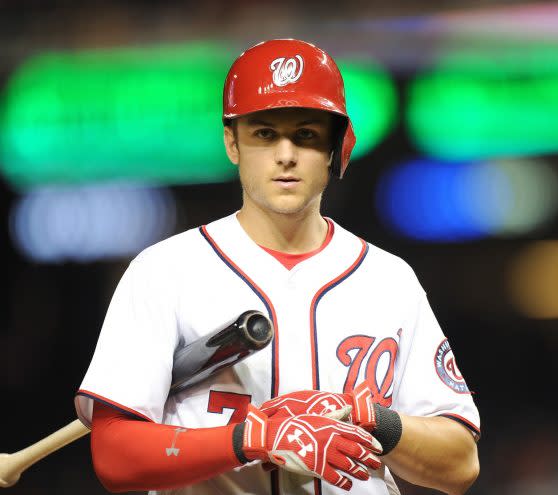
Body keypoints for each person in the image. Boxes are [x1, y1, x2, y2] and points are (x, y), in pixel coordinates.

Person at [75, 38, 480, 495]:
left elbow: (460, 463)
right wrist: (252, 439)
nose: (286, 154)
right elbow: (115, 456)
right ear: (232, 142)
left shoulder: (390, 279)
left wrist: (372, 419)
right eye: (265, 133)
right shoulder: (164, 272)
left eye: (306, 134)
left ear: (336, 146)